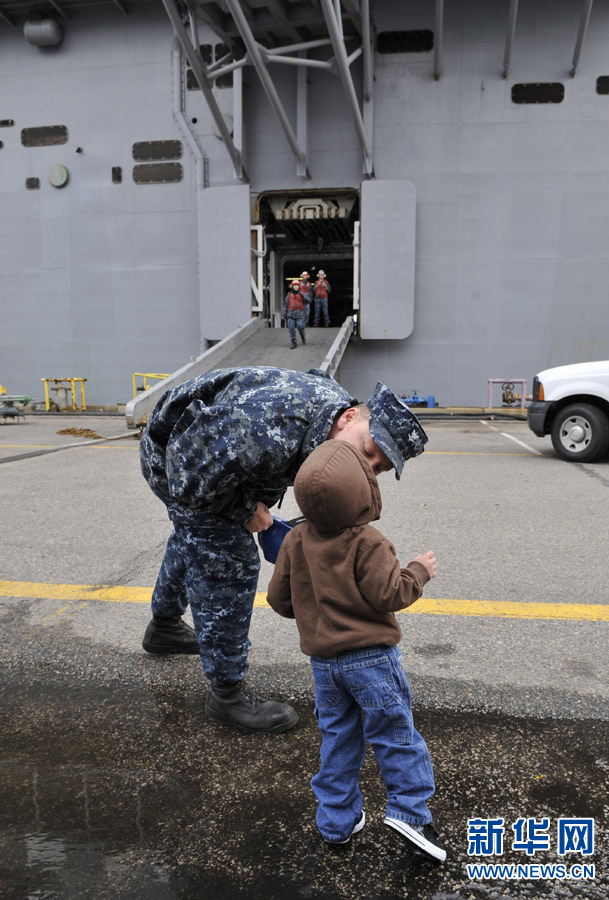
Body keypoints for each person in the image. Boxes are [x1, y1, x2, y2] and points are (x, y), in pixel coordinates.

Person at [140, 366, 428, 735]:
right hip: (176, 457)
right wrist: (244, 510)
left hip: (214, 456)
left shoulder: (327, 424)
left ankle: (163, 627)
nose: (367, 467)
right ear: (349, 416)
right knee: (228, 559)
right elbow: (190, 481)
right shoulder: (264, 426)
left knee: (196, 539)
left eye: (379, 469)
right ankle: (226, 694)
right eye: (369, 450)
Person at [266, 439, 446, 863]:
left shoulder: (295, 540)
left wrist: (313, 607)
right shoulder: (368, 541)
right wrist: (418, 571)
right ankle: (411, 814)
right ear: (363, 490)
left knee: (338, 739)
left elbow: (279, 599)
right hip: (372, 661)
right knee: (395, 735)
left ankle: (336, 821)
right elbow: (391, 593)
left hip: (324, 666)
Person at [283, 279, 307, 349]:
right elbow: (286, 305)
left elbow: (308, 301)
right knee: (291, 328)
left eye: (297, 285)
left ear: (299, 286)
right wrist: (284, 314)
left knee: (300, 327)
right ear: (292, 286)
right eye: (294, 285)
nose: (296, 287)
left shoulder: (303, 293)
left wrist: (303, 296)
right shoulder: (289, 295)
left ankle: (302, 336)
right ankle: (294, 342)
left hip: (300, 314)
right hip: (291, 314)